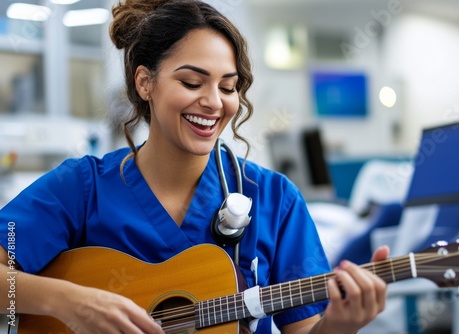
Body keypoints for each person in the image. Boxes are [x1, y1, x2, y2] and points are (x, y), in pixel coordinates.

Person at [0, 1, 389, 333]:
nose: (213, 103)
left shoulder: (274, 200)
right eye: (191, 82)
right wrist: (67, 301)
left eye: (227, 87)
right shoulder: (83, 188)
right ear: (144, 83)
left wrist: (343, 323)